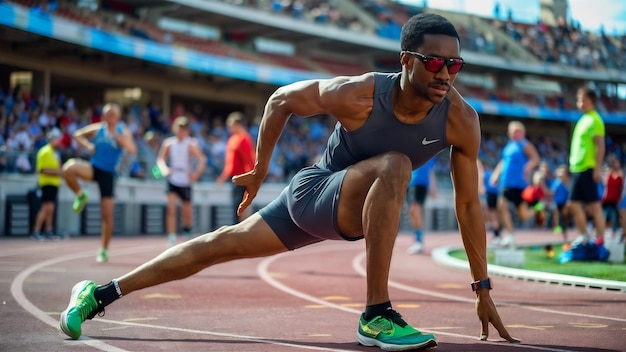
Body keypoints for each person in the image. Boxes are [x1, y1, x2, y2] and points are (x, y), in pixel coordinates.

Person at [59, 13, 518, 350]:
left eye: (455, 66)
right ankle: (377, 314)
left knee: (216, 243)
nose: (445, 75)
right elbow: (281, 100)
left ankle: (98, 293)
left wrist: (482, 287)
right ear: (406, 61)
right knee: (395, 163)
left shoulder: (461, 120)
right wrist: (260, 169)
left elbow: (468, 207)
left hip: (352, 203)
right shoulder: (359, 94)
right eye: (435, 63)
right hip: (316, 192)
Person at [62, 103, 137, 262]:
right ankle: (80, 195)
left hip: (109, 174)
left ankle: (103, 249)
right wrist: (88, 145)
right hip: (94, 167)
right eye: (107, 114)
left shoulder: (123, 130)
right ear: (104, 116)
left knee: (107, 215)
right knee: (68, 169)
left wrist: (118, 137)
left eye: (113, 114)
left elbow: (132, 149)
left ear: (118, 117)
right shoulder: (99, 128)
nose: (110, 117)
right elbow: (77, 134)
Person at [155, 116, 207, 247]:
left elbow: (202, 159)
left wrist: (196, 174)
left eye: (184, 129)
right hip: (173, 178)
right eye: (179, 128)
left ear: (187, 131)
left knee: (186, 210)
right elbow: (160, 159)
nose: (181, 132)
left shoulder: (191, 143)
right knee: (171, 208)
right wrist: (164, 169)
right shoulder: (169, 143)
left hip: (185, 179)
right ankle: (171, 236)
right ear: (175, 129)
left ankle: (187, 231)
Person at [490, 120, 540, 247]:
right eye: (510, 131)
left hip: (520, 184)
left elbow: (535, 158)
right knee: (501, 206)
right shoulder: (508, 147)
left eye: (514, 131)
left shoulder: (525, 145)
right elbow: (503, 162)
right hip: (506, 183)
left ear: (521, 132)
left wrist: (528, 167)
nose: (511, 133)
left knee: (523, 215)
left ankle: (538, 208)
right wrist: (496, 174)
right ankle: (511, 235)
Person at [568, 87, 606, 246]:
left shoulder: (595, 120)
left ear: (591, 100)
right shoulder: (583, 119)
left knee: (594, 206)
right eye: (578, 99)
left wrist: (598, 168)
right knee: (573, 204)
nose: (580, 102)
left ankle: (600, 241)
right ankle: (585, 236)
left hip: (588, 168)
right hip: (577, 169)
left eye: (583, 99)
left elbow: (600, 146)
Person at [216, 111, 256, 223]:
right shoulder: (233, 139)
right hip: (234, 177)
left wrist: (249, 178)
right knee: (235, 204)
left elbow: (248, 160)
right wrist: (223, 176)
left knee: (240, 204)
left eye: (231, 124)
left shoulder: (244, 139)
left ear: (237, 124)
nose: (229, 127)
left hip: (242, 177)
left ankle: (240, 230)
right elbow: (230, 162)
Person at [32, 128, 63, 241]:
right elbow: (42, 170)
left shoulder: (55, 153)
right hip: (46, 183)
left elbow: (58, 167)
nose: (59, 141)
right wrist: (58, 172)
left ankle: (49, 231)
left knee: (50, 208)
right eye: (57, 139)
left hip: (54, 184)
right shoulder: (44, 152)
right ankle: (36, 230)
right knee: (46, 208)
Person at [406, 157, 437, 254]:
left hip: (421, 183)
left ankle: (419, 242)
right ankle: (416, 240)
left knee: (414, 210)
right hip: (410, 183)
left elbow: (431, 171)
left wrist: (433, 187)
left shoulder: (431, 155)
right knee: (411, 212)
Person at [479, 158, 502, 245]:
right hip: (497, 195)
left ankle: (497, 236)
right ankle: (497, 235)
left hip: (490, 195)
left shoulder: (484, 174)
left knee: (493, 216)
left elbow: (481, 187)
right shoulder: (492, 173)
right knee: (495, 216)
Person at [601, 155, 623, 237]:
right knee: (604, 217)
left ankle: (615, 234)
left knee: (614, 218)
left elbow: (621, 187)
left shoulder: (620, 175)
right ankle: (601, 233)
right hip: (607, 200)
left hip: (615, 200)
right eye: (616, 163)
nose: (618, 164)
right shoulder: (608, 173)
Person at [550, 165, 570, 241]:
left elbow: (569, 193)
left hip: (564, 203)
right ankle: (556, 226)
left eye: (563, 173)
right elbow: (552, 192)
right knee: (555, 212)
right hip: (557, 203)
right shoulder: (556, 183)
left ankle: (565, 229)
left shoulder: (567, 183)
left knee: (565, 215)